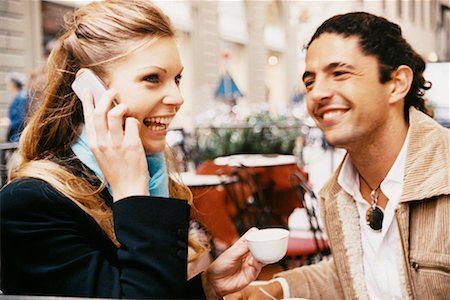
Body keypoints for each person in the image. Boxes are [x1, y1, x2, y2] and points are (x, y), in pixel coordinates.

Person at [0, 0, 264, 298]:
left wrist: (205, 288)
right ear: (90, 92)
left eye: (177, 78)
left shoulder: (151, 178)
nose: (177, 97)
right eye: (152, 78)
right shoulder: (31, 204)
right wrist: (133, 193)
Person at [229, 12, 449, 300]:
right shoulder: (336, 193)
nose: (317, 93)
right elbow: (357, 273)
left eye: (340, 73)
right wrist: (275, 288)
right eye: (309, 81)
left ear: (396, 83)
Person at [2, 72, 29, 142]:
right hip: (15, 135)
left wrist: (10, 122)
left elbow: (22, 118)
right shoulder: (18, 97)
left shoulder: (22, 97)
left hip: (19, 136)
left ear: (13, 85)